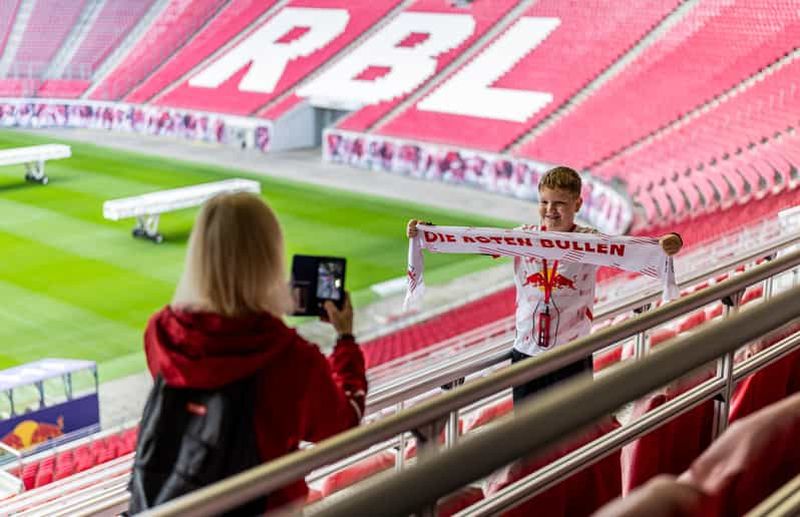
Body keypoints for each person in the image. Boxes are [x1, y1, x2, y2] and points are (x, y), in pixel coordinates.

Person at [141, 192, 367, 510]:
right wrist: (345, 339)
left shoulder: (161, 333)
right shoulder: (291, 357)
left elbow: (216, 356)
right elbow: (343, 425)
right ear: (270, 258)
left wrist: (265, 306)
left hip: (181, 505)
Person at [407, 166, 682, 404]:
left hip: (571, 354)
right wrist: (429, 233)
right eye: (544, 202)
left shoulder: (591, 241)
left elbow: (638, 250)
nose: (550, 210)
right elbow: (478, 242)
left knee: (572, 428)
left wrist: (671, 241)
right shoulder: (523, 237)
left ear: (578, 204)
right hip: (526, 353)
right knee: (526, 431)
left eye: (559, 203)